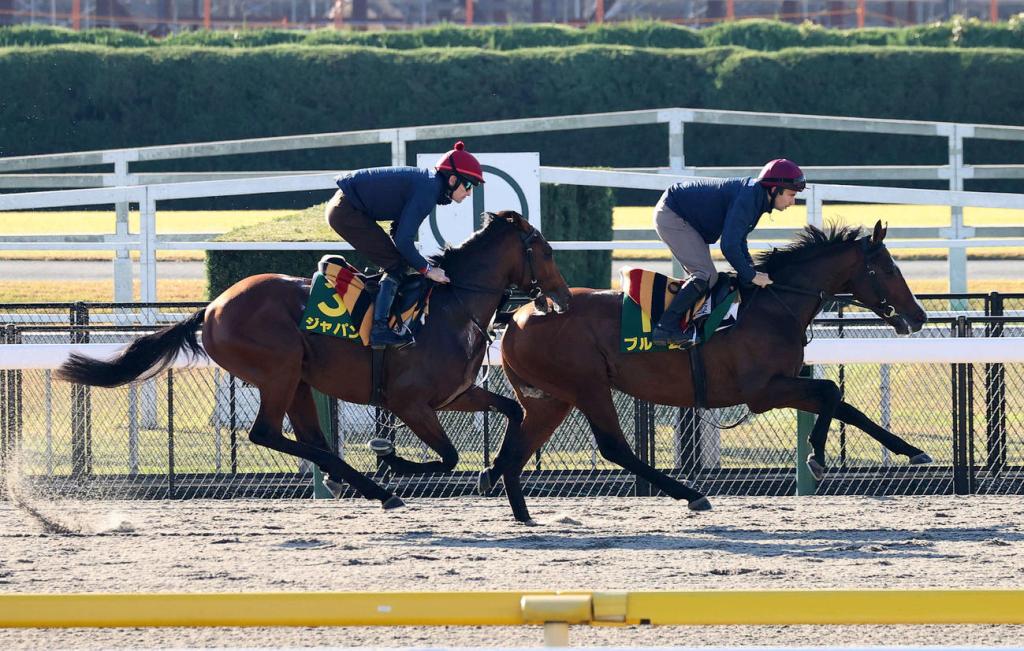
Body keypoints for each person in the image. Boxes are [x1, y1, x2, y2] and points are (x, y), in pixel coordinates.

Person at [325, 141, 484, 347]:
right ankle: (379, 330)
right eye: (469, 185)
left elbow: (398, 231)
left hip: (346, 207)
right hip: (346, 211)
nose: (470, 193)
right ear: (453, 179)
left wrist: (414, 261)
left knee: (398, 261)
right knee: (396, 264)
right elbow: (403, 240)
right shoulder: (428, 190)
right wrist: (428, 270)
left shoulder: (429, 185)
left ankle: (380, 312)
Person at [650, 158, 806, 348]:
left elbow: (739, 240)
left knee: (708, 277)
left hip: (683, 213)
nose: (793, 201)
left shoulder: (757, 198)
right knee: (706, 275)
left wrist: (750, 270)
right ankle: (664, 328)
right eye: (791, 194)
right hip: (673, 214)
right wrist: (751, 275)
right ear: (774, 190)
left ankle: (690, 322)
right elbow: (729, 246)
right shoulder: (750, 199)